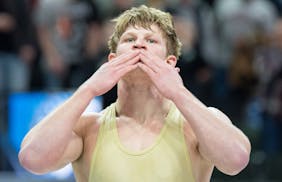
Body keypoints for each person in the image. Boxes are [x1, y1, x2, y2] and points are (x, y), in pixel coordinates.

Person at [18, 5, 251, 182]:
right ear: (112, 60)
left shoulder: (198, 123)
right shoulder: (88, 128)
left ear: (170, 62)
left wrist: (179, 93)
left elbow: (236, 160)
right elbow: (32, 158)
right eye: (130, 40)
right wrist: (88, 89)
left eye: (151, 40)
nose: (139, 45)